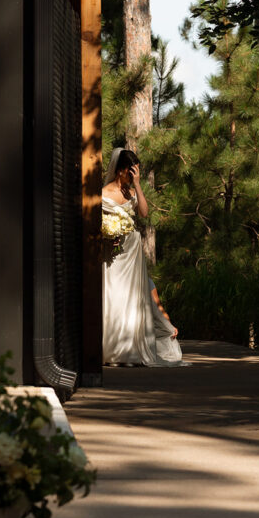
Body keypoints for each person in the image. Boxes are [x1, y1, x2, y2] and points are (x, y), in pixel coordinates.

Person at [102, 148, 182, 366]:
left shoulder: (131, 191)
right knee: (114, 295)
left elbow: (144, 213)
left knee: (133, 298)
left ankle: (131, 348)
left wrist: (137, 185)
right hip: (112, 252)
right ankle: (112, 348)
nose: (133, 175)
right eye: (131, 172)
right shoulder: (103, 194)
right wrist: (108, 235)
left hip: (132, 250)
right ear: (119, 170)